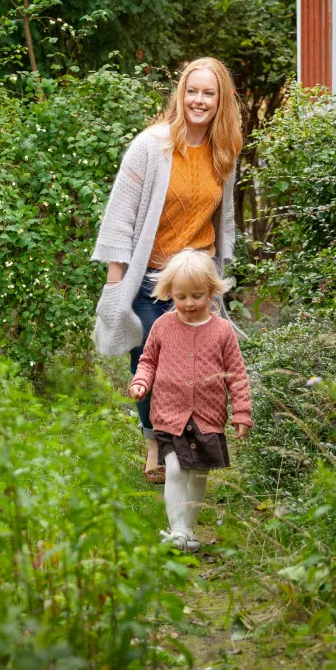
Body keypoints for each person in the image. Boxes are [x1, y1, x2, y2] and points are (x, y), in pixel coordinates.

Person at [91, 57, 244, 484]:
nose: (199, 100)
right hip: (152, 278)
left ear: (220, 101)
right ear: (181, 95)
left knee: (196, 366)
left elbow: (223, 217)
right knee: (150, 363)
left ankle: (193, 442)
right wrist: (116, 282)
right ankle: (155, 442)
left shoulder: (223, 150)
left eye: (208, 93)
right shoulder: (151, 146)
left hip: (197, 278)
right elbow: (120, 217)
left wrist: (219, 271)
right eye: (191, 91)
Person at [127, 250, 252, 552]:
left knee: (197, 472)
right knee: (174, 468)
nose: (189, 303)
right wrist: (141, 380)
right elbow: (148, 360)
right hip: (169, 413)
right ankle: (178, 529)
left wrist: (242, 412)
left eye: (197, 295)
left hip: (208, 416)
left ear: (212, 291)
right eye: (180, 297)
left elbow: (236, 373)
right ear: (170, 294)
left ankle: (189, 530)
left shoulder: (222, 331)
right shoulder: (162, 326)